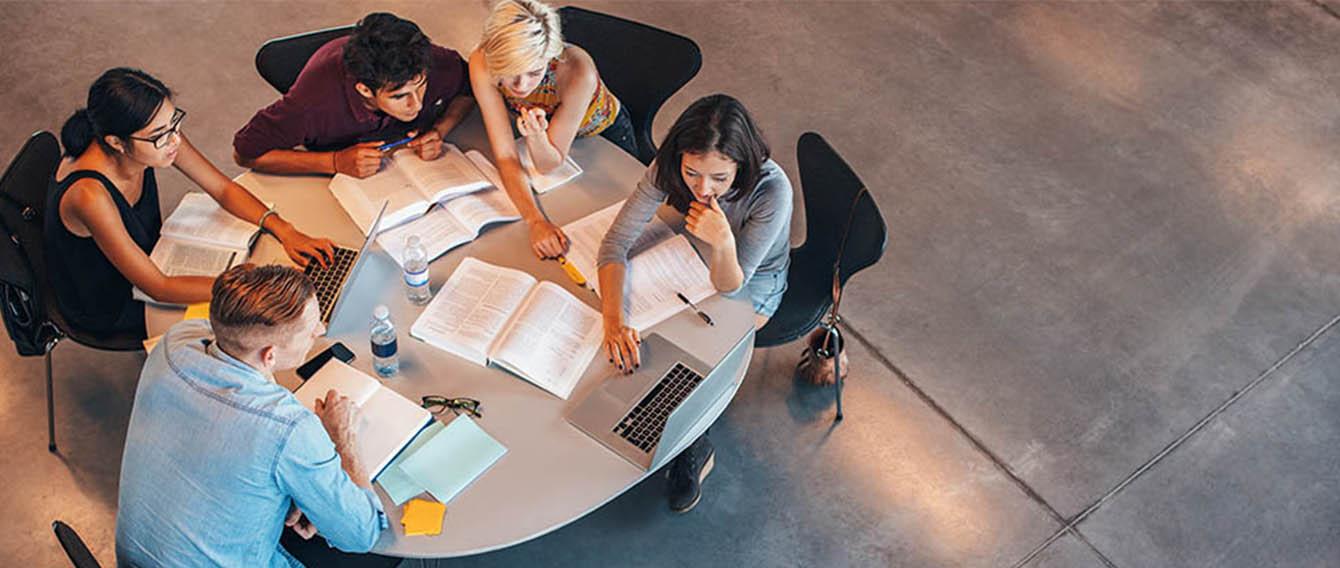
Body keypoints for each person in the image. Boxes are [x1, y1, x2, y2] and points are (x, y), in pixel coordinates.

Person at [116, 264, 393, 567]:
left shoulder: (176, 341)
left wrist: (290, 493)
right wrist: (343, 440)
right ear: (270, 355)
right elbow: (362, 533)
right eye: (311, 329)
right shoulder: (289, 428)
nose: (321, 330)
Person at [596, 94, 792, 513]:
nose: (703, 189)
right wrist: (614, 321)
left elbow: (731, 286)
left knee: (700, 346)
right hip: (688, 256)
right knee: (647, 331)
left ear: (741, 164)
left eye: (720, 179)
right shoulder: (667, 169)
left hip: (751, 280)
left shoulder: (772, 192)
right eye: (692, 174)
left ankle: (692, 441)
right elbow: (614, 244)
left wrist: (722, 242)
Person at [47, 68, 334, 339]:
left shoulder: (154, 134)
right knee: (251, 326)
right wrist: (251, 284)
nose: (174, 140)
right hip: (113, 298)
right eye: (161, 136)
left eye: (174, 123)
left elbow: (222, 189)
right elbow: (157, 287)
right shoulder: (89, 195)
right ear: (117, 142)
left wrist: (284, 230)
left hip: (150, 256)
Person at [469, 0, 637, 259]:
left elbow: (548, 164)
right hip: (541, 127)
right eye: (509, 72)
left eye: (534, 72)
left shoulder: (578, 71)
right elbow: (505, 155)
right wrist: (535, 220)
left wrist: (536, 137)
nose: (521, 86)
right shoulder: (481, 62)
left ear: (549, 56)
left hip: (601, 135)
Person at [234, 12, 474, 178]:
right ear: (365, 90)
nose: (417, 104)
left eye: (420, 86)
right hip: (343, 177)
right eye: (400, 96)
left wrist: (440, 129)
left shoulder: (429, 60)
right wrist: (334, 162)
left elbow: (468, 90)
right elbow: (246, 154)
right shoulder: (313, 104)